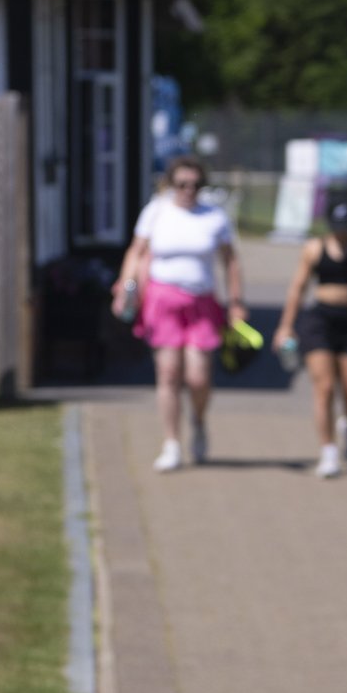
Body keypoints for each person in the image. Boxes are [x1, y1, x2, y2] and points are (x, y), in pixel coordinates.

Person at [112, 155, 243, 472]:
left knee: (198, 376)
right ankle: (171, 442)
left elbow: (230, 260)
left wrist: (236, 301)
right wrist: (126, 286)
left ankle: (197, 421)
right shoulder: (157, 211)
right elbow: (137, 250)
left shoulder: (213, 216)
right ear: (171, 184)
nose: (188, 190)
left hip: (201, 301)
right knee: (168, 373)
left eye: (195, 185)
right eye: (182, 184)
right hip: (162, 300)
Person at [273, 195, 347, 479]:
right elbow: (297, 289)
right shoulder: (314, 249)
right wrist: (286, 326)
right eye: (336, 224)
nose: (340, 230)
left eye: (345, 224)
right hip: (320, 321)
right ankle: (328, 452)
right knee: (324, 387)